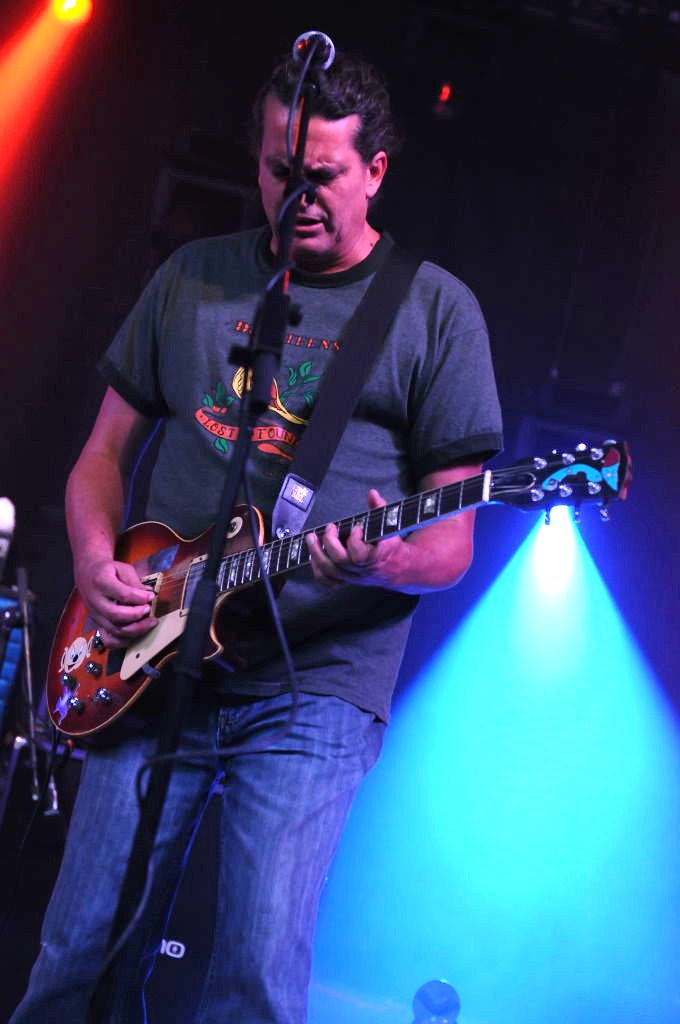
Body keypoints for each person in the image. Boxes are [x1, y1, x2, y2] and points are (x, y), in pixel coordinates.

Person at [11, 49, 502, 1024]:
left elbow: (449, 548)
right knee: (77, 958)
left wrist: (384, 557)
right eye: (281, 171)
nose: (298, 195)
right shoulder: (194, 276)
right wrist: (97, 560)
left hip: (314, 684)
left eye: (323, 174)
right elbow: (101, 455)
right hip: (150, 658)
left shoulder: (434, 311)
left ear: (374, 170)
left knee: (255, 976)